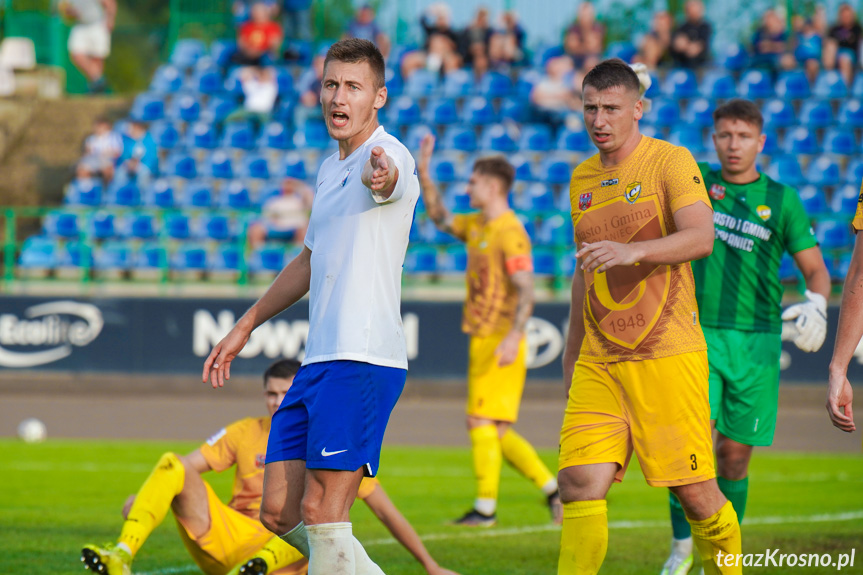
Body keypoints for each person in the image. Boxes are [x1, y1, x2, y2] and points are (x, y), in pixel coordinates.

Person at [203, 38, 419, 575]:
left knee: (324, 512)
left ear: (379, 97)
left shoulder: (390, 156)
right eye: (330, 84)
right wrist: (246, 324)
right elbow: (307, 260)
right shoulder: (328, 170)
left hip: (362, 358)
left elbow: (389, 180)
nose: (338, 97)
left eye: (353, 86)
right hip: (318, 360)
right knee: (278, 511)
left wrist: (383, 177)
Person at [557, 58, 742, 575]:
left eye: (612, 108)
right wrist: (572, 356)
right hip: (600, 361)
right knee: (577, 482)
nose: (600, 119)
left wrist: (631, 251)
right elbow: (584, 273)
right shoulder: (581, 179)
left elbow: (701, 237)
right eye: (590, 108)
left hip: (667, 353)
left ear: (638, 109)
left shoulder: (669, 160)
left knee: (696, 494)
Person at [81, 360, 460, 575]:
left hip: (282, 558)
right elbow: (182, 469)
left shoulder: (328, 445)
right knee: (170, 462)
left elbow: (387, 512)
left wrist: (430, 565)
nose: (278, 402)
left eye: (286, 393)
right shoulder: (244, 432)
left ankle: (258, 567)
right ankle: (122, 554)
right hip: (231, 537)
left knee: (313, 519)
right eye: (271, 393)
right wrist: (151, 497)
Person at [660, 99, 831, 575]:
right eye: (724, 135)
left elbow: (816, 270)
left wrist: (817, 302)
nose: (733, 145)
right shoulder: (696, 182)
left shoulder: (782, 199)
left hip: (758, 344)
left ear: (761, 142)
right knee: (689, 455)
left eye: (743, 136)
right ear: (713, 139)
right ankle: (679, 550)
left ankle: (726, 558)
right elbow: (646, 163)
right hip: (696, 336)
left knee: (733, 458)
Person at [416, 134, 562, 527]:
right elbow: (440, 219)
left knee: (480, 423)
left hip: (501, 337)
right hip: (484, 335)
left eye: (473, 182)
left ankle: (485, 509)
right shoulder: (480, 224)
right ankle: (553, 489)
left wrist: (515, 335)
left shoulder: (509, 232)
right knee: (494, 429)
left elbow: (526, 286)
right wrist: (425, 174)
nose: (467, 188)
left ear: (493, 186)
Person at [59, 0, 116, 92]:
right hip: (80, 25)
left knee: (97, 58)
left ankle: (95, 88)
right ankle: (98, 79)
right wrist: (70, 12)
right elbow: (64, 8)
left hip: (97, 24)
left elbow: (109, 3)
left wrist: (110, 19)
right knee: (76, 55)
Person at [248, 178, 314, 247]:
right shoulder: (274, 201)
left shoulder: (300, 201)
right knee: (256, 229)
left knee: (304, 229)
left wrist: (298, 185)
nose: (288, 187)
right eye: (286, 184)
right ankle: (259, 253)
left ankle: (299, 251)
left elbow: (310, 200)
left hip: (295, 225)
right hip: (277, 225)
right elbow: (266, 216)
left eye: (290, 184)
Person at [235, 1, 284, 67]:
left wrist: (260, 51)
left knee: (267, 59)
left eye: (259, 11)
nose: (256, 14)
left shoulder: (273, 27)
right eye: (255, 11)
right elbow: (242, 44)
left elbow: (275, 45)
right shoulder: (247, 27)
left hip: (264, 56)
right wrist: (249, 50)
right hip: (248, 56)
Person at [824, 3, 862, 85]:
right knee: (831, 46)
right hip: (835, 55)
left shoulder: (857, 29)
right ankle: (829, 74)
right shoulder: (834, 29)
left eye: (848, 15)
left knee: (844, 59)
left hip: (851, 56)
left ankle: (846, 87)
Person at [77, 117, 123, 183]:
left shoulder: (114, 137)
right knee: (82, 170)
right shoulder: (91, 139)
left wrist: (104, 155)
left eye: (101, 126)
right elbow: (87, 152)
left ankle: (107, 189)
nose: (98, 129)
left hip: (109, 160)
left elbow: (117, 152)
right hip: (94, 159)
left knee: (108, 170)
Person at [670, 0, 711, 68]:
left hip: (701, 66)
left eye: (695, 7)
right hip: (681, 65)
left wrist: (686, 45)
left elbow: (697, 48)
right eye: (690, 7)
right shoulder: (680, 27)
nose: (693, 11)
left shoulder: (705, 27)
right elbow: (677, 45)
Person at [563, 2, 605, 69]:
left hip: (592, 58)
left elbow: (594, 48)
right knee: (558, 65)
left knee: (591, 63)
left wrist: (585, 31)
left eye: (587, 15)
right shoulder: (572, 29)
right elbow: (571, 48)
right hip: (574, 59)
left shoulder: (598, 28)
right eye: (583, 14)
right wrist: (586, 46)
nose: (585, 17)